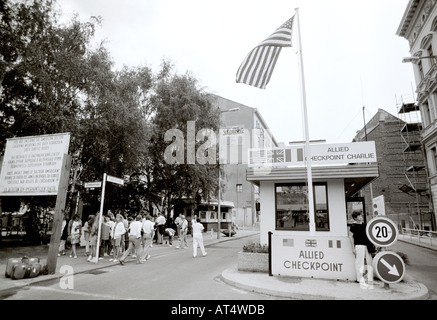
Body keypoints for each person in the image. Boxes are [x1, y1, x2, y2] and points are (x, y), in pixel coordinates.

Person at [349, 211, 374, 286]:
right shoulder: (353, 226)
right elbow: (351, 237)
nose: (361, 217)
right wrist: (353, 248)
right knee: (359, 262)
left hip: (367, 245)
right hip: (359, 245)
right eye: (359, 216)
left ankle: (369, 279)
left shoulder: (365, 225)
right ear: (355, 218)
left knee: (369, 261)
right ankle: (359, 279)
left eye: (361, 215)